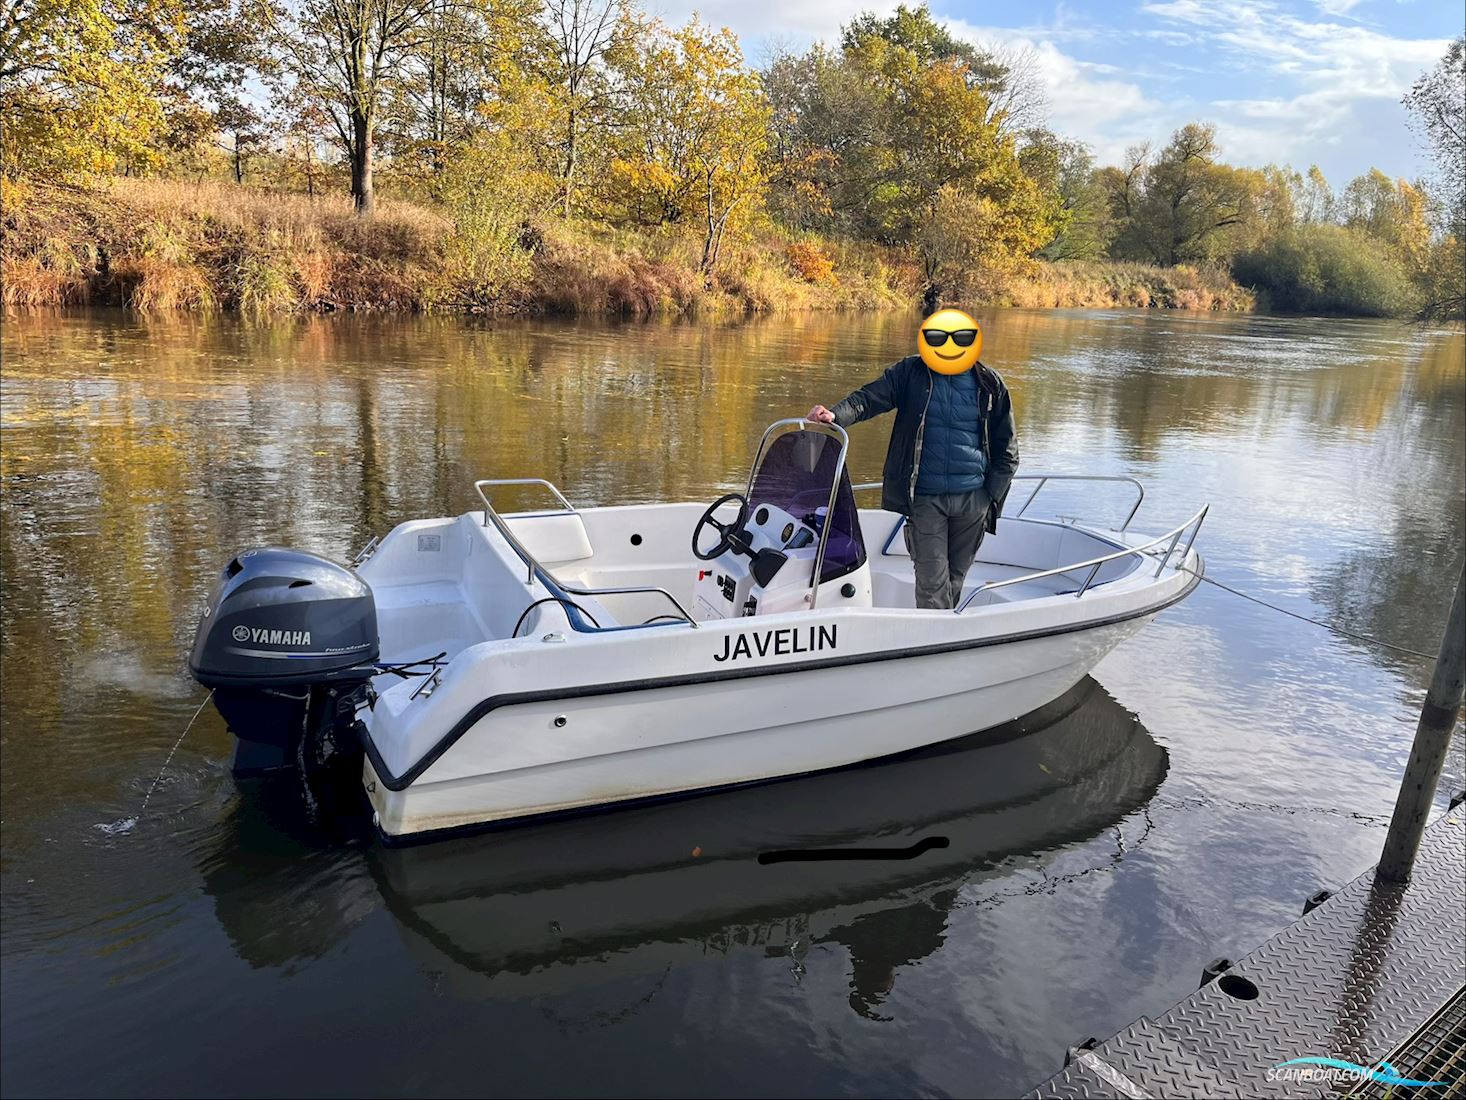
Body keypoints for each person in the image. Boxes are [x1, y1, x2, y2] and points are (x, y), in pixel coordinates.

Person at [808, 309, 1019, 610]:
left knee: (954, 580)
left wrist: (989, 497)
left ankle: (943, 633)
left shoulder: (989, 383)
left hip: (973, 501)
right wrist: (835, 415)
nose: (949, 344)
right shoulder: (910, 373)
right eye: (937, 337)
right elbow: (868, 399)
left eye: (961, 337)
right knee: (932, 584)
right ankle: (935, 636)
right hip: (925, 500)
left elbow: (1008, 449)